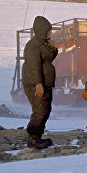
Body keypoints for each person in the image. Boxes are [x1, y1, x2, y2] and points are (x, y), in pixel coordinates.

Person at [22, 16, 58, 149]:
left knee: (46, 110)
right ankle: (32, 139)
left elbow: (49, 60)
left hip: (45, 82)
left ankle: (38, 136)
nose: (50, 33)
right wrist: (38, 84)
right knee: (40, 111)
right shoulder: (34, 45)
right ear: (42, 30)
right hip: (36, 83)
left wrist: (53, 49)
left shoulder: (43, 44)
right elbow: (33, 66)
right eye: (48, 31)